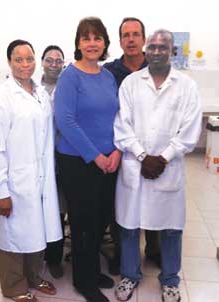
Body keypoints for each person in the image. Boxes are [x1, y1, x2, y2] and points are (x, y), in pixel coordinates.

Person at [113, 29, 202, 302]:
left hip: (168, 169)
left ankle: (170, 279)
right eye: (152, 46)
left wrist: (162, 158)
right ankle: (130, 275)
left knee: (172, 228)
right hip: (135, 167)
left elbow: (190, 129)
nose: (156, 51)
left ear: (172, 51)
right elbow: (122, 125)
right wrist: (143, 156)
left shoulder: (187, 86)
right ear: (145, 50)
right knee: (129, 226)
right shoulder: (130, 83)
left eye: (163, 47)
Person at [0, 39, 62, 302]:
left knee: (36, 231)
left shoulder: (40, 93)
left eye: (29, 59)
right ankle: (14, 286)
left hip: (40, 179)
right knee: (14, 235)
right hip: (15, 180)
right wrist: (1, 190)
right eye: (19, 59)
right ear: (9, 62)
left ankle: (33, 275)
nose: (25, 64)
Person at [54, 17, 121, 302]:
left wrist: (116, 150)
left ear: (105, 43)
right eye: (86, 38)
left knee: (101, 220)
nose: (92, 43)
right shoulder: (70, 76)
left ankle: (92, 270)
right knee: (83, 222)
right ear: (78, 44)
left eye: (97, 38)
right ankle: (84, 281)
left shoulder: (107, 76)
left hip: (108, 161)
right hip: (78, 162)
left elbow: (119, 117)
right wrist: (95, 156)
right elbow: (66, 121)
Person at [104, 17, 161, 275]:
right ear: (120, 41)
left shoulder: (159, 68)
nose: (130, 39)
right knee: (123, 203)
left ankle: (154, 248)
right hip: (123, 147)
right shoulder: (110, 72)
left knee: (155, 198)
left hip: (154, 147)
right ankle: (121, 251)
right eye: (125, 35)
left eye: (135, 34)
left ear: (144, 39)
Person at [41, 45, 65, 279]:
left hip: (62, 156)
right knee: (38, 209)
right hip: (37, 158)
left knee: (59, 209)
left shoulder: (66, 87)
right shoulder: (32, 88)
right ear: (42, 62)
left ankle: (55, 258)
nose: (54, 65)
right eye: (50, 60)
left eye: (59, 61)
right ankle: (40, 255)